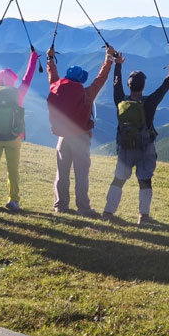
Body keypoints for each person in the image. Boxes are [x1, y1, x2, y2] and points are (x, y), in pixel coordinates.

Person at [102, 55, 169, 224]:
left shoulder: (120, 101)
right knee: (145, 181)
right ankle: (143, 217)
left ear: (129, 86)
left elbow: (116, 84)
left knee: (119, 179)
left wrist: (118, 66)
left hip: (125, 147)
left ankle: (108, 213)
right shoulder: (149, 103)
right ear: (143, 86)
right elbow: (163, 88)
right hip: (145, 148)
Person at [48, 45, 115, 216]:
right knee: (81, 175)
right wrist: (108, 59)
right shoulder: (86, 93)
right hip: (80, 137)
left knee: (62, 173)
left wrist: (50, 59)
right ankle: (83, 208)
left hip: (62, 137)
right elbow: (101, 79)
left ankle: (60, 205)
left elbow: (53, 76)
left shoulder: (56, 87)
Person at [0, 45, 39, 210]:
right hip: (14, 137)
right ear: (12, 80)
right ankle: (14, 200)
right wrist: (33, 57)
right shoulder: (18, 93)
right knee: (13, 170)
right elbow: (28, 77)